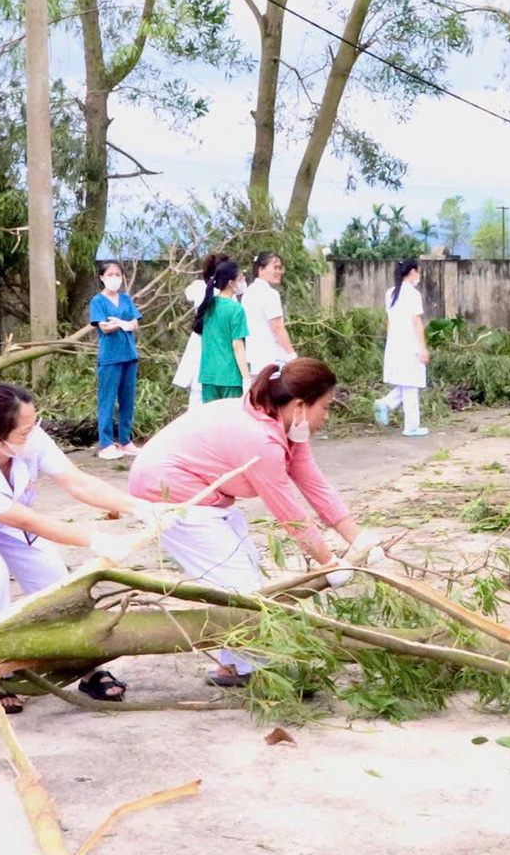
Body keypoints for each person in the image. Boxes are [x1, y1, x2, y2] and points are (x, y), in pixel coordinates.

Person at [0, 381, 153, 709]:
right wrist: (94, 538)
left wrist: (138, 506)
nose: (33, 435)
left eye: (34, 425)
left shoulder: (27, 437)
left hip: (5, 513)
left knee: (56, 581)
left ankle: (85, 666)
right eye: (24, 431)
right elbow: (26, 521)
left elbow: (77, 482)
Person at [128, 358, 377, 687]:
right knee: (240, 586)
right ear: (300, 405)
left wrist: (358, 541)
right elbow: (290, 515)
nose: (327, 417)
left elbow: (315, 486)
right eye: (326, 407)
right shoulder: (260, 440)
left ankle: (233, 667)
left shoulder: (288, 427)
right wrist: (328, 562)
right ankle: (253, 671)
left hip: (208, 498)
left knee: (246, 565)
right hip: (171, 497)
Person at [88, 260, 141, 460]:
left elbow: (135, 323)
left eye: (117, 274)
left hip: (129, 354)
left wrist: (121, 323)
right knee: (107, 400)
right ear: (102, 277)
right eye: (110, 275)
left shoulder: (126, 299)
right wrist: (122, 324)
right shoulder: (98, 302)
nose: (114, 278)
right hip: (110, 357)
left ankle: (126, 441)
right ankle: (106, 444)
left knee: (128, 400)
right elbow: (104, 327)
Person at [374, 257, 430, 438]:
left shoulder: (390, 292)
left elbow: (389, 321)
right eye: (418, 271)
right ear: (413, 272)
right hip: (410, 344)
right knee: (411, 385)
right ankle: (411, 426)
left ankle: (385, 403)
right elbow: (416, 322)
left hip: (395, 344)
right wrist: (423, 348)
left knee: (407, 383)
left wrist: (389, 344)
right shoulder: (413, 294)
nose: (419, 275)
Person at [171, 251, 228, 410]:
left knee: (198, 390)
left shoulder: (198, 287)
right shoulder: (223, 294)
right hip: (214, 343)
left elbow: (188, 294)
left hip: (202, 340)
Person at [192, 258, 250, 403]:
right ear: (231, 283)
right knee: (231, 423)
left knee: (211, 423)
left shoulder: (207, 306)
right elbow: (237, 345)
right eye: (240, 279)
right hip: (230, 376)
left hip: (208, 375)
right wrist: (246, 378)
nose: (242, 282)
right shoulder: (236, 309)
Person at [240, 250, 296, 376]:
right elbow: (277, 328)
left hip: (253, 360)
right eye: (275, 267)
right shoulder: (270, 294)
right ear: (261, 270)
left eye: (280, 268)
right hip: (271, 359)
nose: (279, 272)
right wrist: (292, 355)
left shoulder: (248, 293)